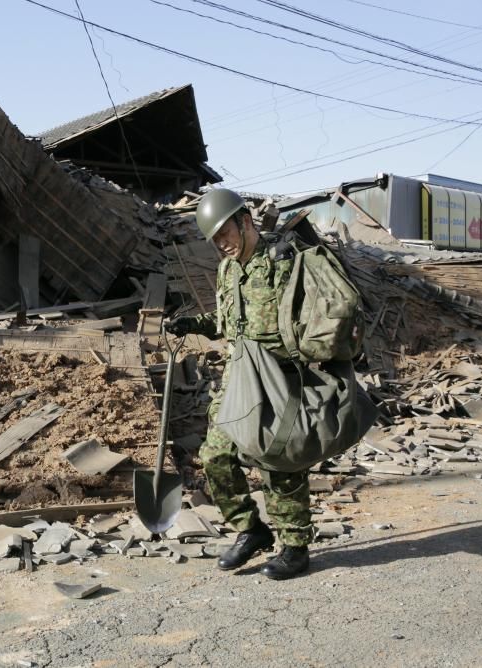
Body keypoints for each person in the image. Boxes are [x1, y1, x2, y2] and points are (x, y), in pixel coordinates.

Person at [166, 188, 312, 580]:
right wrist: (192, 324)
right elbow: (226, 321)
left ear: (245, 221)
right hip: (239, 377)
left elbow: (314, 320)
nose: (222, 245)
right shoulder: (227, 269)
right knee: (216, 455)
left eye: (225, 234)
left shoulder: (284, 262)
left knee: (278, 460)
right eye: (215, 240)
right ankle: (251, 530)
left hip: (281, 376)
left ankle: (295, 547)